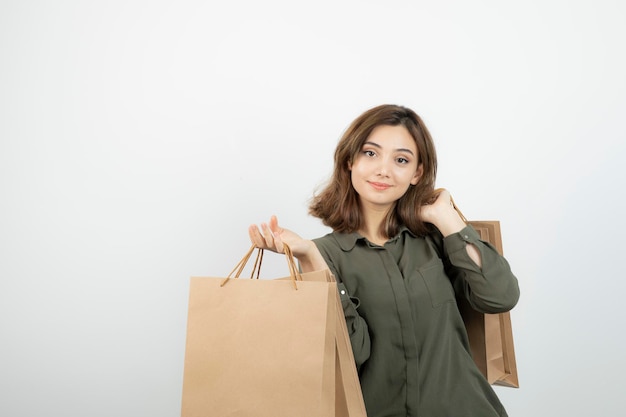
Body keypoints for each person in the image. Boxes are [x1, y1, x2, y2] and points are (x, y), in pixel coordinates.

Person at [249, 104, 520, 417]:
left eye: (401, 159)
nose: (383, 170)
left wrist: (444, 216)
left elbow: (501, 296)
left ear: (417, 173)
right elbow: (348, 356)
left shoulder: (437, 239)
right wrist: (310, 257)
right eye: (370, 153)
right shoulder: (326, 254)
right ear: (350, 160)